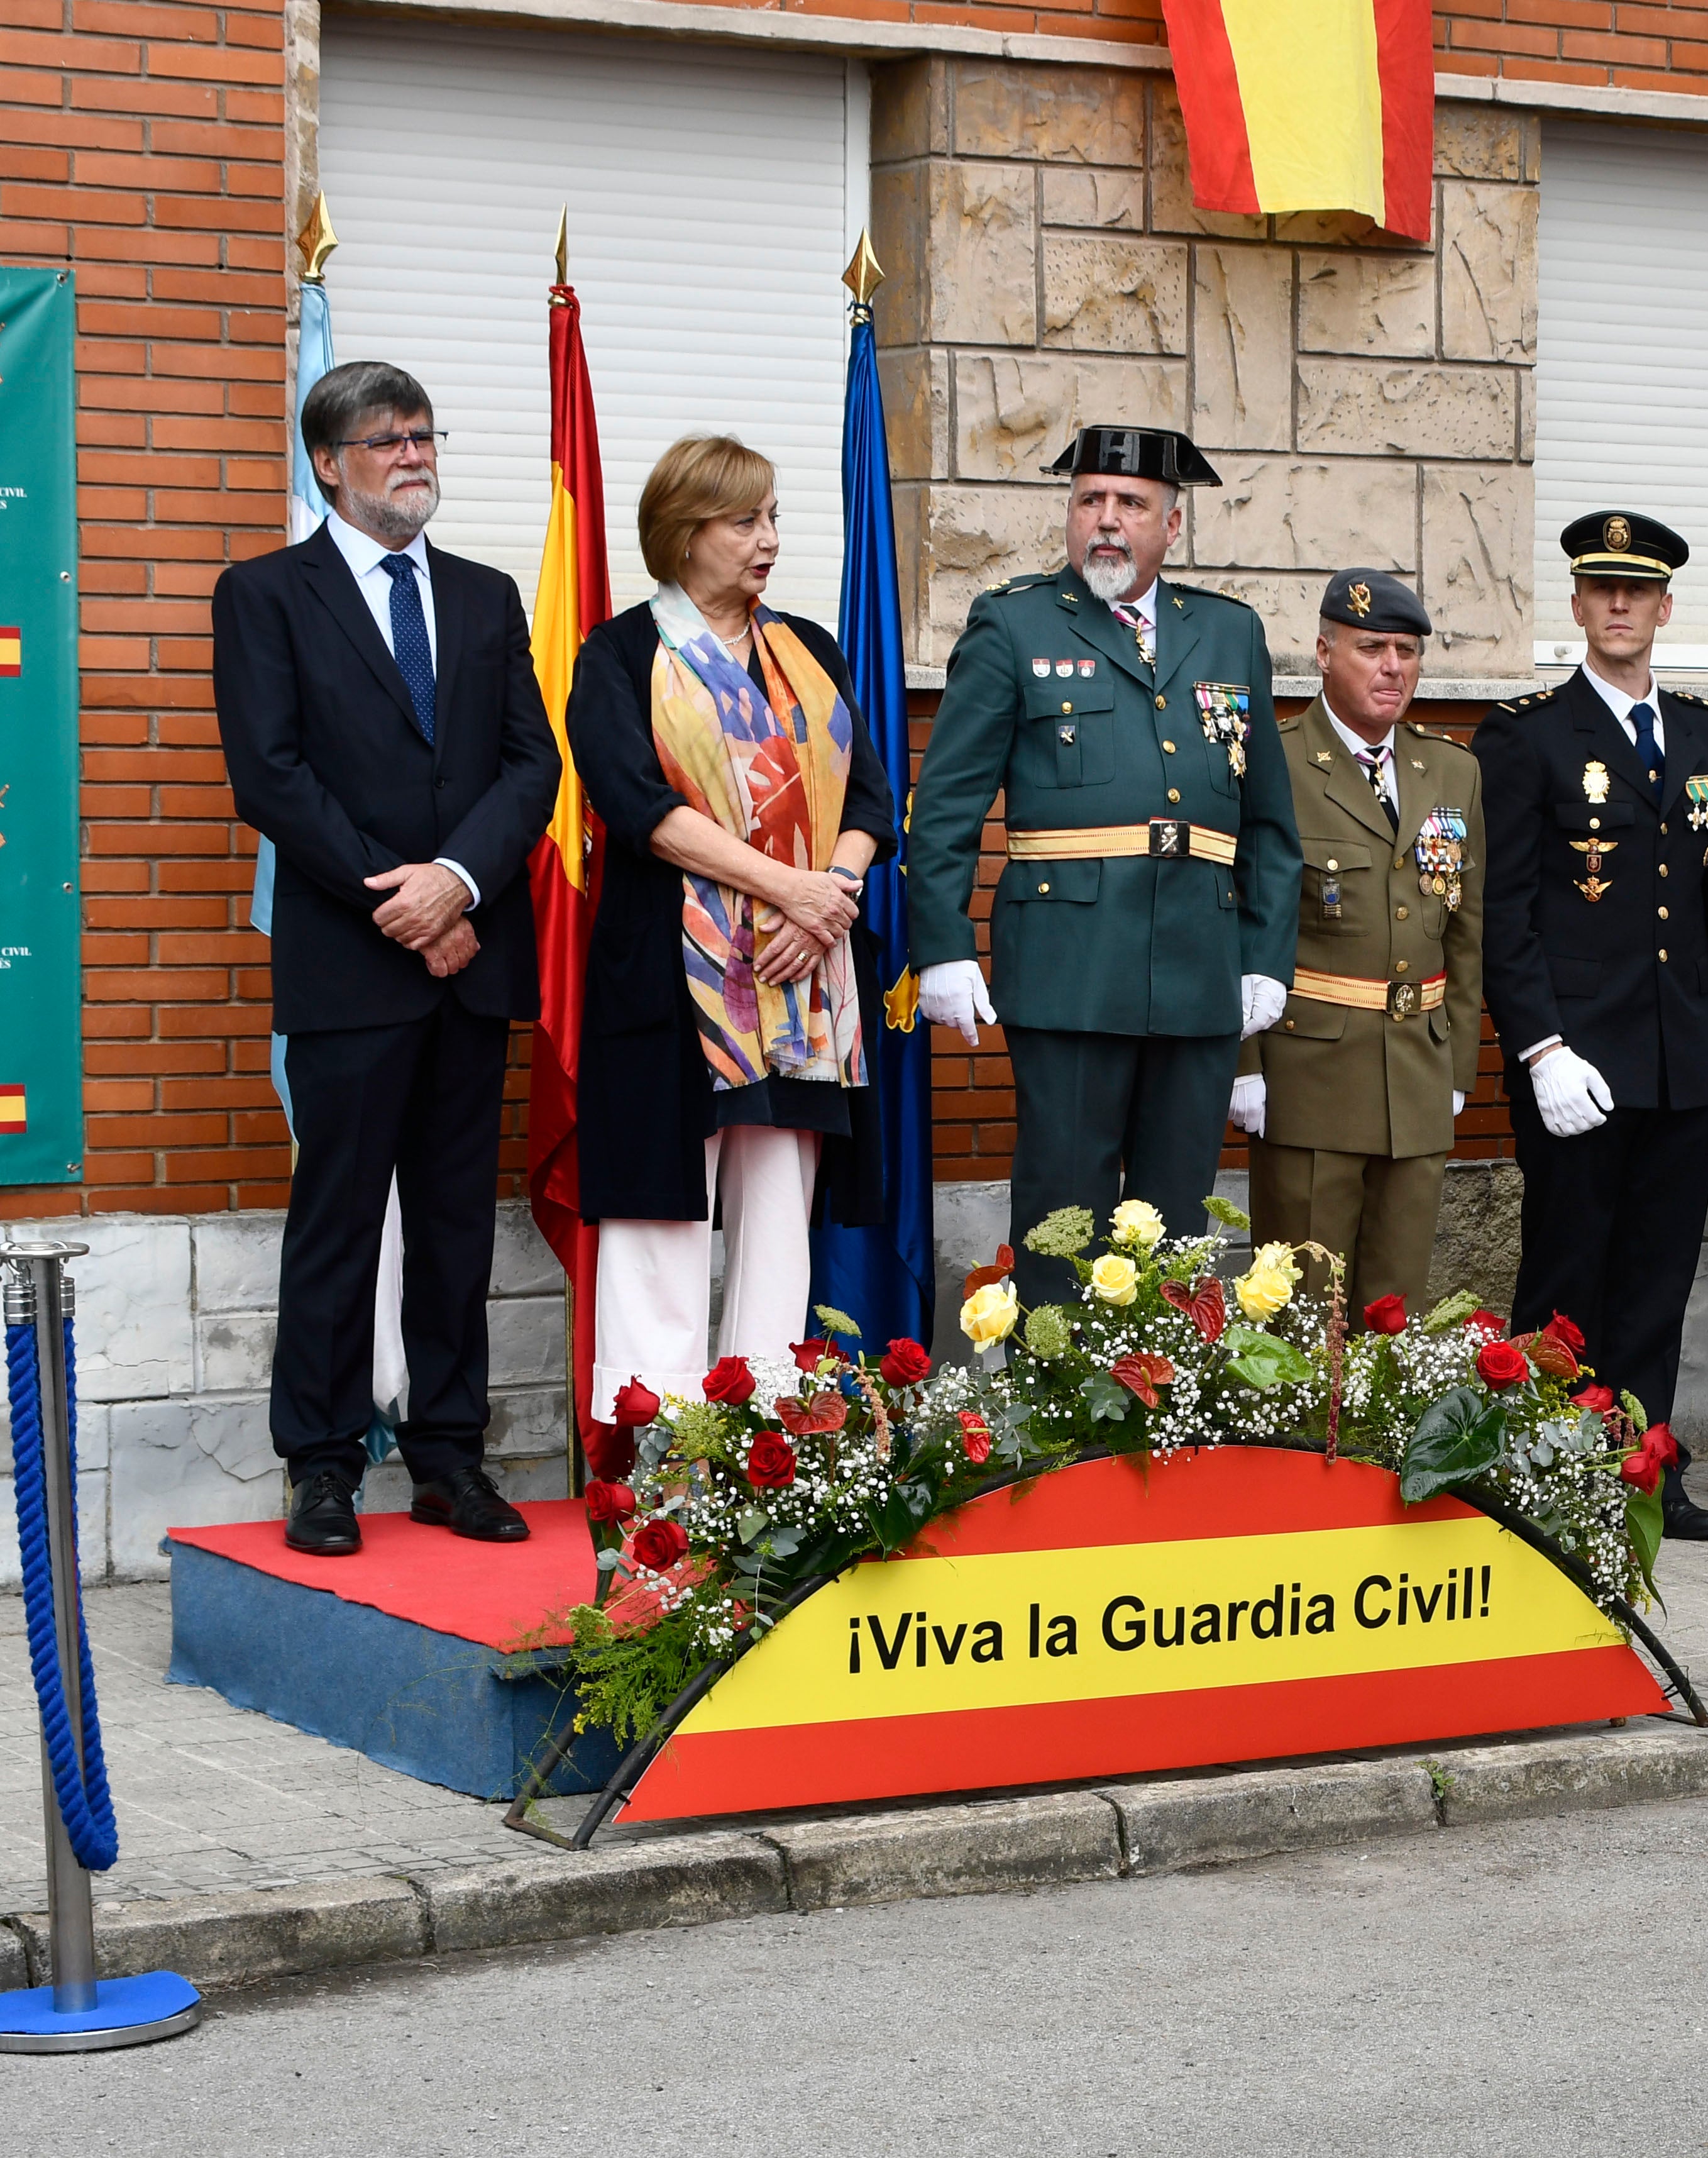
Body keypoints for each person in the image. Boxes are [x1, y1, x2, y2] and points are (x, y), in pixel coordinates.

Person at [214, 360, 556, 1556]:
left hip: (469, 961)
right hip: (353, 967)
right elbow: (272, 776)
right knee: (340, 1220)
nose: (414, 454)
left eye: (423, 434)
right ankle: (321, 1464)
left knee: (457, 1222)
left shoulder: (484, 594)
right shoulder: (265, 595)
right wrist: (402, 899)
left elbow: (533, 767)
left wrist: (457, 884)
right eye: (385, 439)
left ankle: (449, 1459)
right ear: (327, 462)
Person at [903, 425, 1301, 1307]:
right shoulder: (1014, 622)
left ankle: (1163, 1421)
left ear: (1174, 523)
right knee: (1064, 1212)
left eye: (1131, 505)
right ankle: (1057, 1425)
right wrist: (942, 943)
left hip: (1200, 963)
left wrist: (1267, 957)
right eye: (1090, 501)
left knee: (1176, 1217)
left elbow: (1270, 822)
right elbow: (948, 806)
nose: (1108, 522)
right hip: (1069, 963)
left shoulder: (1230, 633)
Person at [565, 436, 893, 1428]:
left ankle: (767, 1442)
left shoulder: (812, 650)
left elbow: (872, 796)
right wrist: (794, 891)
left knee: (778, 1218)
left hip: (804, 979)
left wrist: (831, 892)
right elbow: (639, 806)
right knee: (657, 1221)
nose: (770, 541)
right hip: (672, 981)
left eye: (774, 518)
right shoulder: (617, 655)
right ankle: (654, 1451)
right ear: (684, 532)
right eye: (746, 521)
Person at [1475, 510, 1708, 1541]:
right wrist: (1539, 1047)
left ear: (1662, 608)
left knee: (1658, 1277)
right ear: (1575, 604)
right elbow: (1502, 912)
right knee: (1567, 1272)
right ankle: (1544, 1469)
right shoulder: (1526, 736)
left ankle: (1641, 1469)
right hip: (1577, 1061)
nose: (1618, 605)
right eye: (1600, 589)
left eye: (1636, 591)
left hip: (1681, 1054)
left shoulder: (1707, 736)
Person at [1227, 568, 1482, 1312]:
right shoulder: (1273, 762)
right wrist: (1244, 1066)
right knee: (1303, 1313)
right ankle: (1298, 1440)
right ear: (1323, 653)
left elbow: (1466, 931)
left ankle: (1383, 1438)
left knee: (1395, 1313)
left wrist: (1457, 1062)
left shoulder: (1451, 770)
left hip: (1418, 1077)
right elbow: (1237, 917)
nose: (1393, 667)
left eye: (1406, 650)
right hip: (1309, 1078)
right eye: (1371, 647)